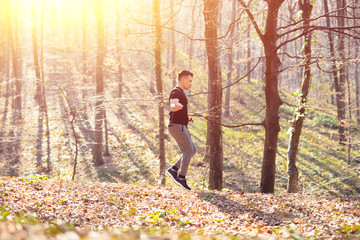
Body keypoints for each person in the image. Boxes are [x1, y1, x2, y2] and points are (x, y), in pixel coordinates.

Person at [166, 70, 196, 191]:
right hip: (177, 126)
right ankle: (181, 178)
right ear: (182, 80)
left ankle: (173, 169)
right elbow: (173, 107)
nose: (190, 83)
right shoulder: (176, 92)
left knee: (192, 150)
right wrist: (176, 107)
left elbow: (179, 110)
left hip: (181, 125)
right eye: (189, 81)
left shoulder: (181, 93)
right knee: (188, 150)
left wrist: (187, 117)